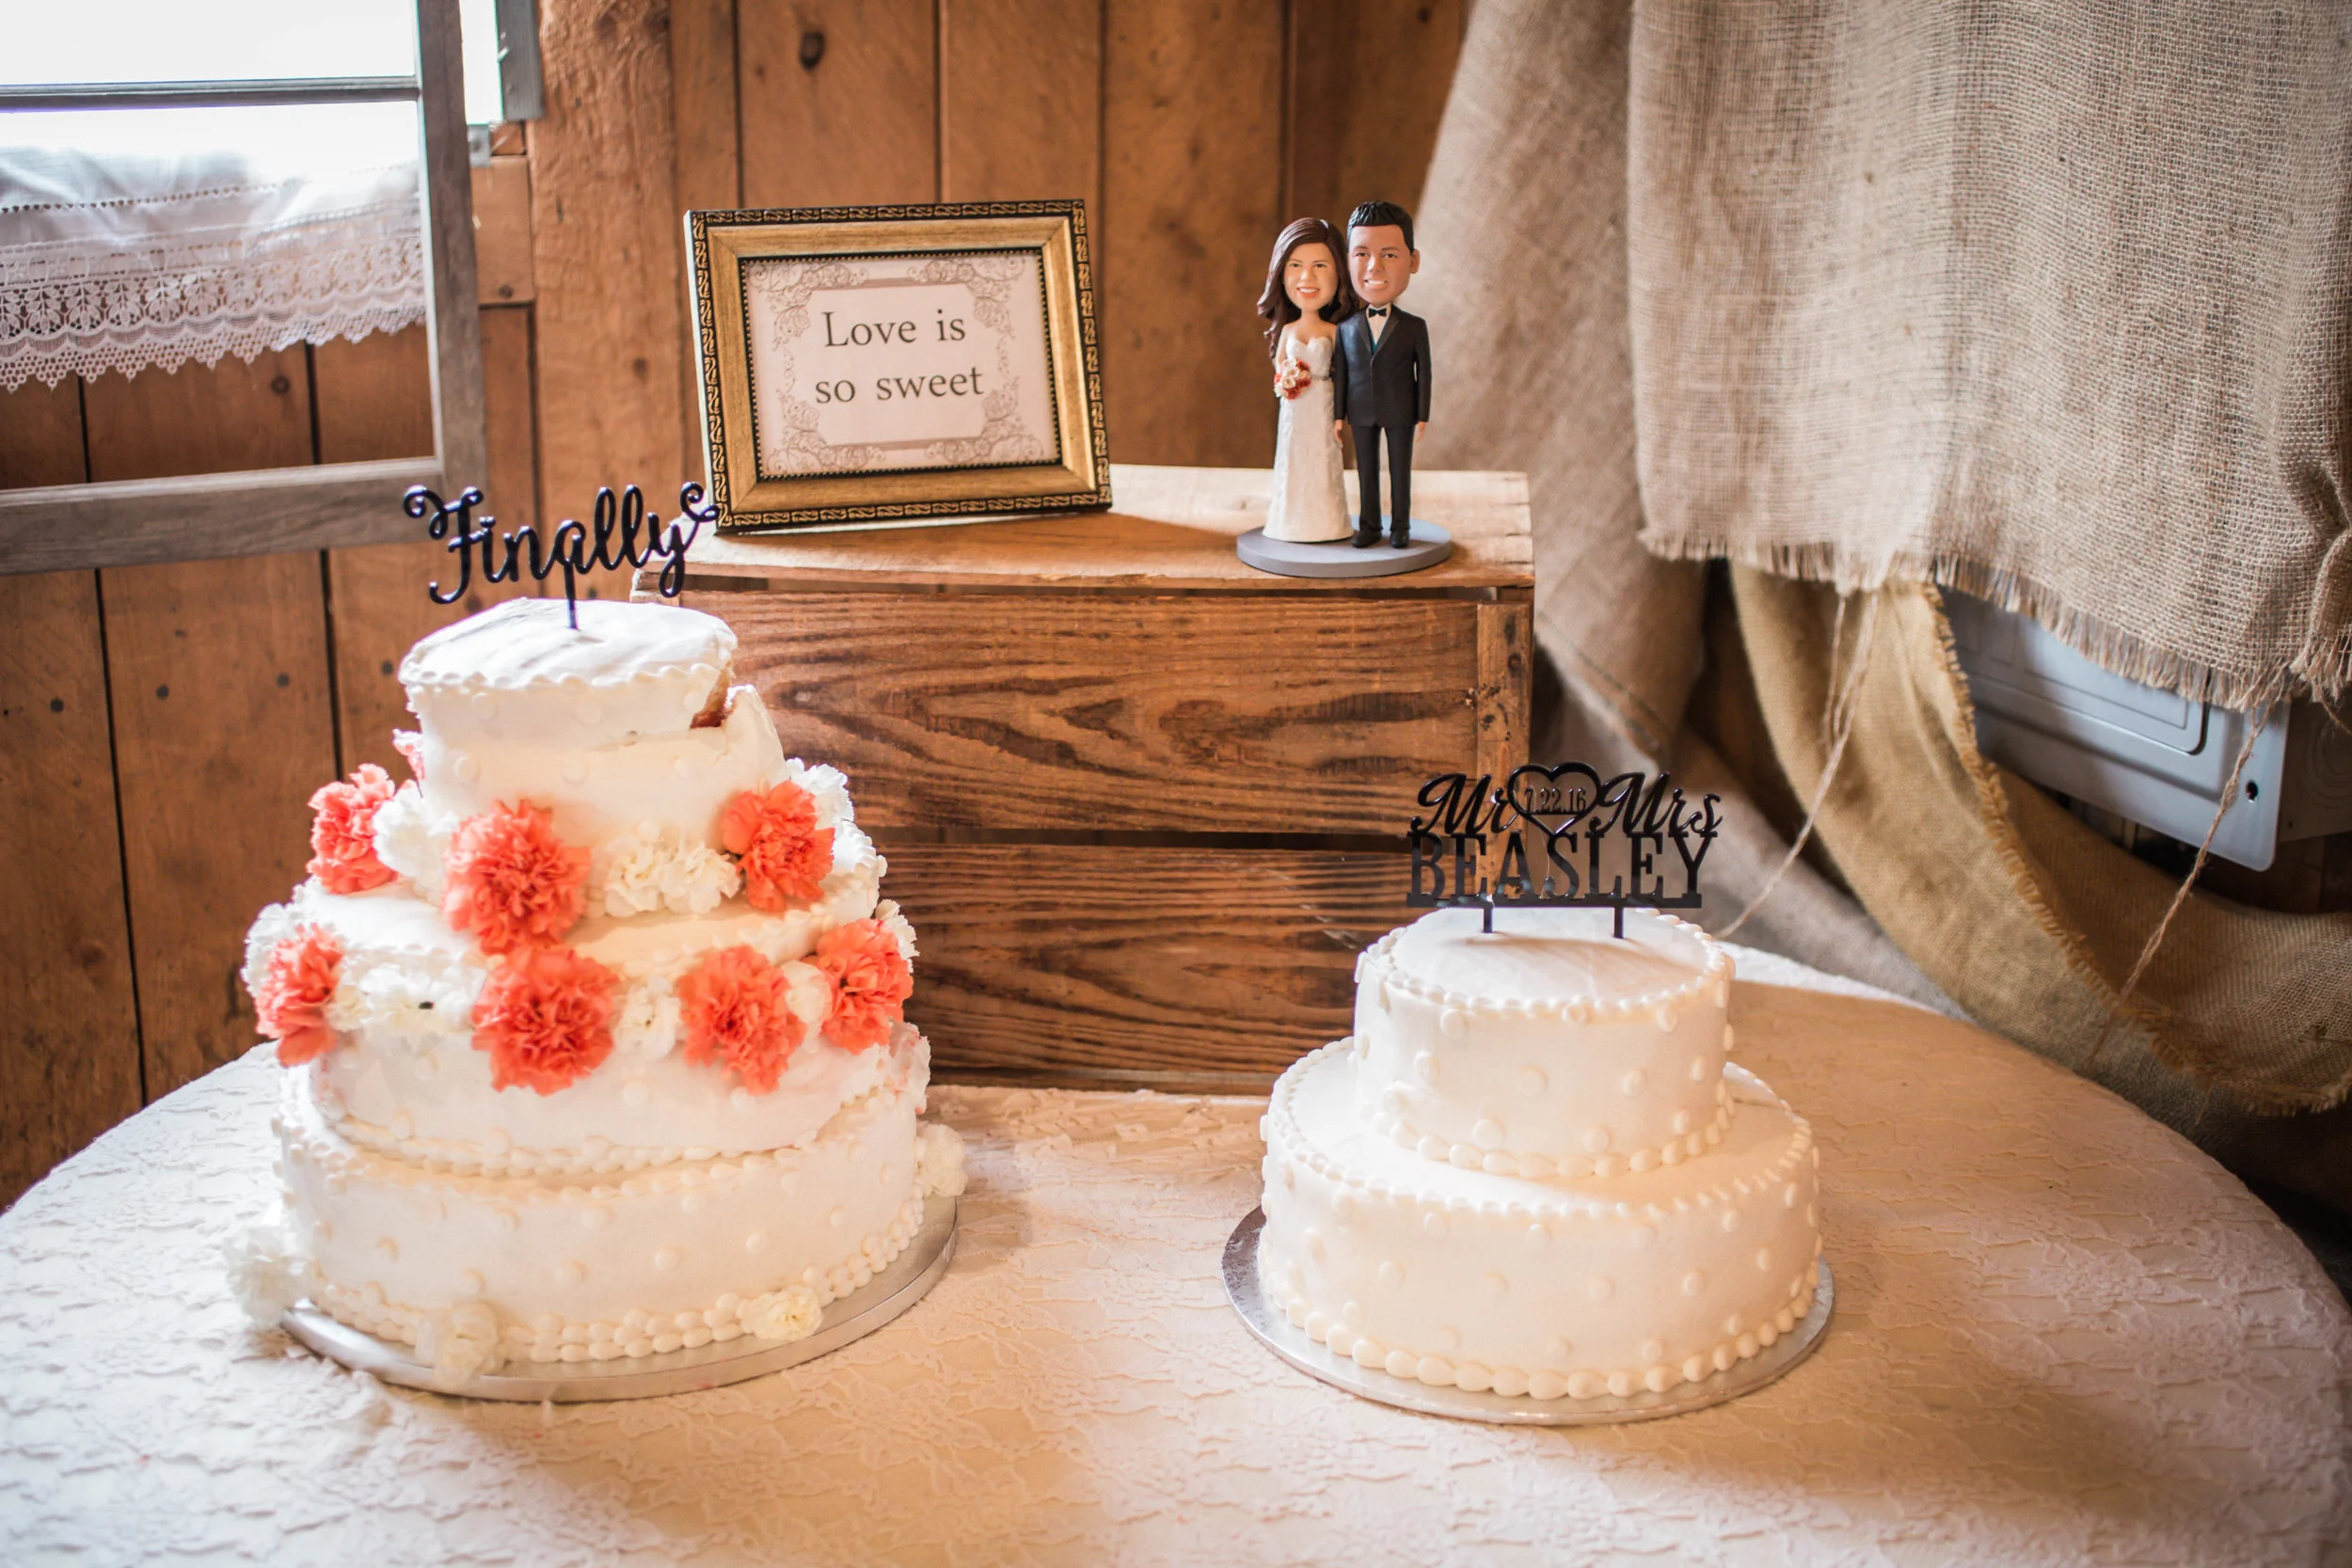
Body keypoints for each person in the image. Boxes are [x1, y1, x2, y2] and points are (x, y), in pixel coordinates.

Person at [1332, 199, 1432, 548]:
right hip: (1360, 411)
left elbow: (1425, 373)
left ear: (1412, 261)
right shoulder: (1346, 328)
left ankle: (1400, 526)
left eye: (1389, 255)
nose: (1375, 266)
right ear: (1348, 261)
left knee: (1400, 471)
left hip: (1401, 411)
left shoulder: (1414, 327)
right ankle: (1370, 525)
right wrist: (1337, 415)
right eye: (1362, 254)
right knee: (1365, 471)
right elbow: (1342, 373)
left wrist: (1422, 414)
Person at [1256, 216, 1359, 544]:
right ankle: (1289, 522)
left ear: (1339, 274)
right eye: (1296, 265)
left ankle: (1327, 522)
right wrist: (1287, 378)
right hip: (1295, 407)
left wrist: (1341, 414)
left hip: (1323, 403)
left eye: (1320, 266)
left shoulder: (1335, 331)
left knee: (1321, 458)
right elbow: (1279, 363)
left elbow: (1347, 372)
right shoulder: (1288, 330)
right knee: (1294, 457)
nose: (1306, 277)